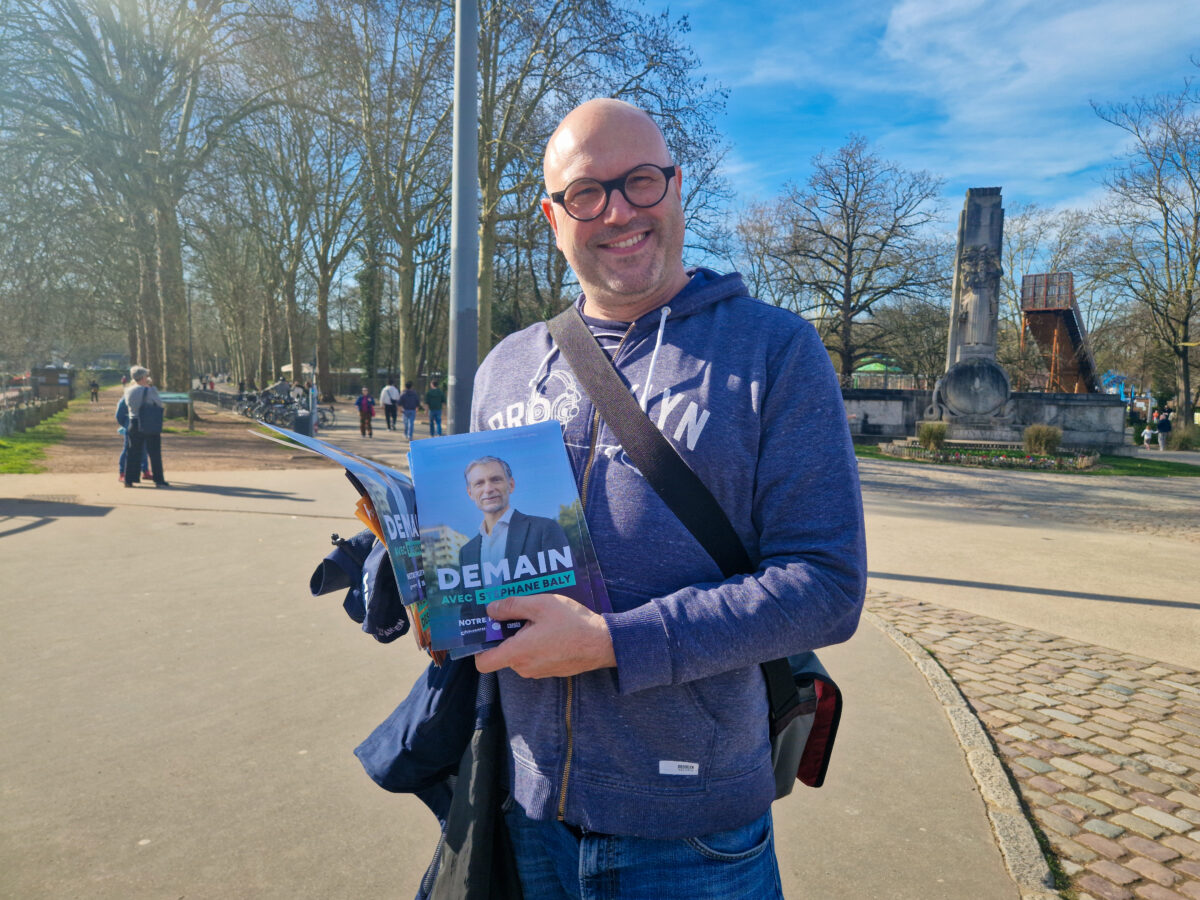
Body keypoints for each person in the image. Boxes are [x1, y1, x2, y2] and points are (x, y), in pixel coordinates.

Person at [466, 99, 866, 897]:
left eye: (641, 182)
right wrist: (414, 579)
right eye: (586, 193)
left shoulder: (775, 352)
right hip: (527, 809)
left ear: (677, 189)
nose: (618, 211)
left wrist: (614, 642)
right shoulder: (505, 368)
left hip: (694, 837)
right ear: (552, 217)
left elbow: (826, 586)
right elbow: (482, 549)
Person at [458, 456, 570, 579]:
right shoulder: (466, 553)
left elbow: (567, 585)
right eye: (479, 483)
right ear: (470, 493)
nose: (488, 489)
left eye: (496, 480)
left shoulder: (544, 529)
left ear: (511, 485)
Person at [123, 366, 168, 488]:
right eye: (146, 376)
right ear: (143, 377)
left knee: (133, 452)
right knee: (154, 452)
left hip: (134, 422)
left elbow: (128, 404)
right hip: (149, 423)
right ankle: (159, 479)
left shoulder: (128, 390)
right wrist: (150, 388)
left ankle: (129, 479)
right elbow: (159, 403)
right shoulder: (150, 390)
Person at [115, 394, 151, 482]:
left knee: (144, 449)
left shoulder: (147, 395)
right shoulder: (127, 397)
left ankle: (145, 470)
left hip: (145, 426)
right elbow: (119, 414)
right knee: (127, 449)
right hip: (131, 426)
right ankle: (122, 473)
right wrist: (126, 424)